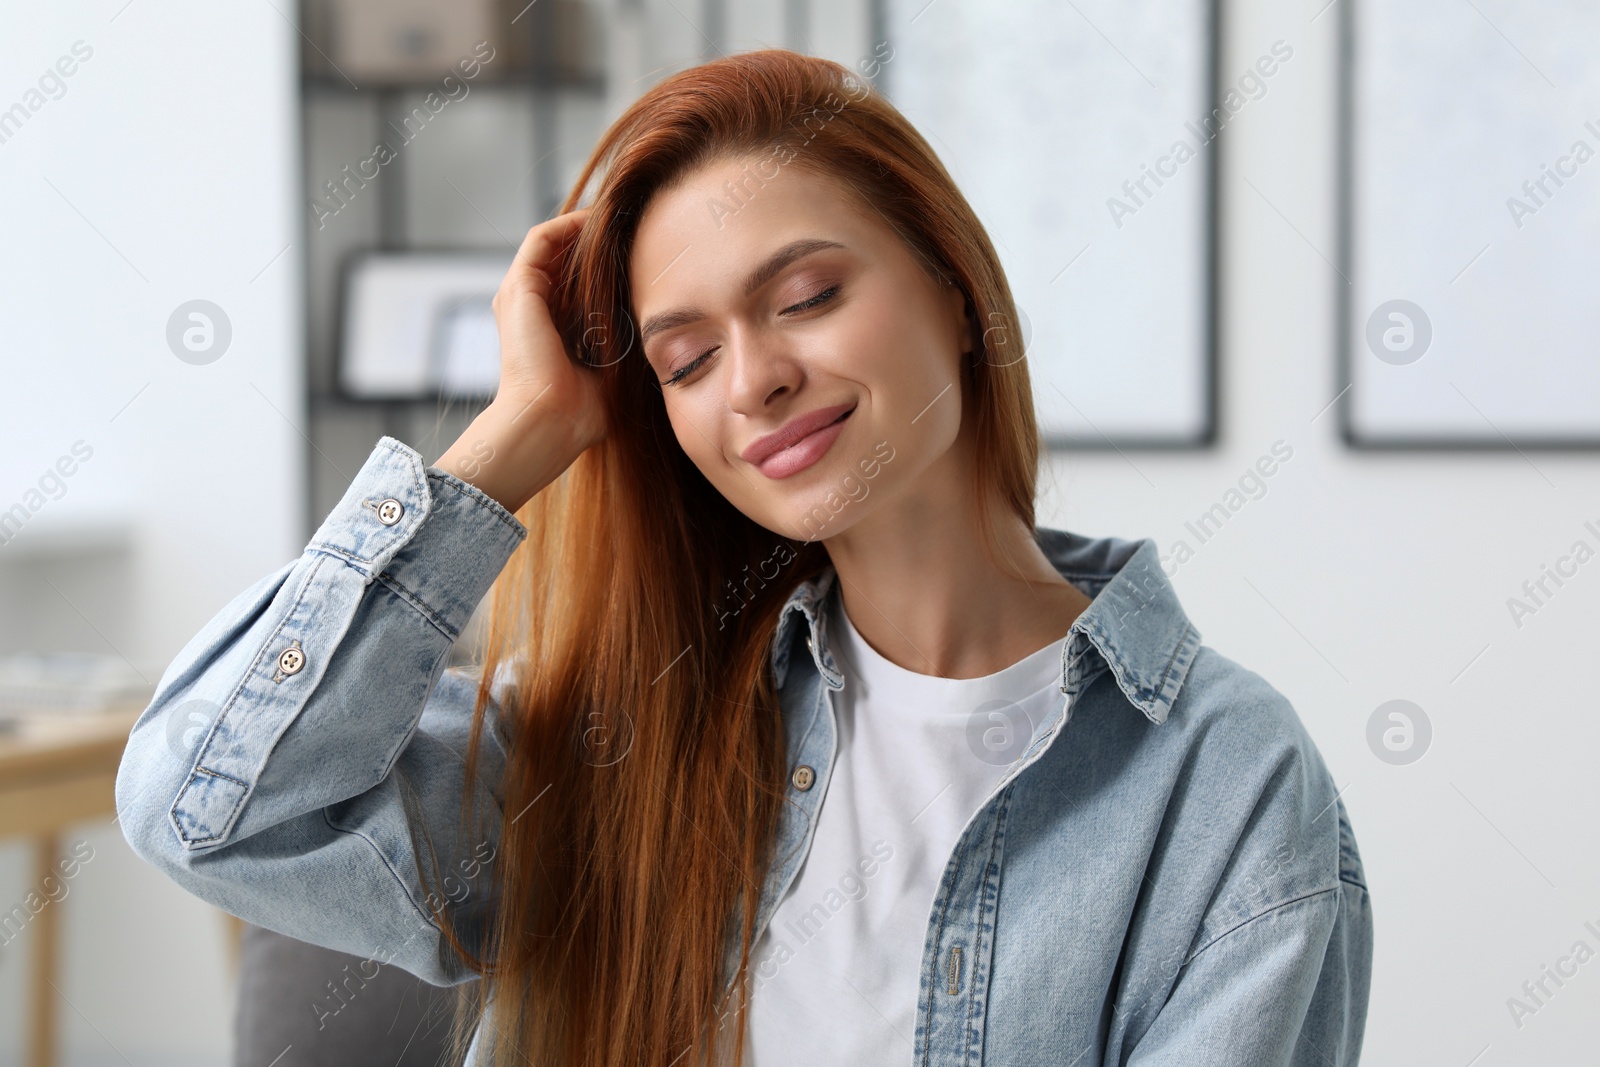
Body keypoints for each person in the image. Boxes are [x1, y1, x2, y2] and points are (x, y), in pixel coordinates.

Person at [115, 49, 1372, 1067]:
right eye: (685, 359)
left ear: (952, 286)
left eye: (808, 295)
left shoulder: (1227, 784)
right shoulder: (614, 735)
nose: (758, 377)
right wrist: (518, 435)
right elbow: (205, 809)